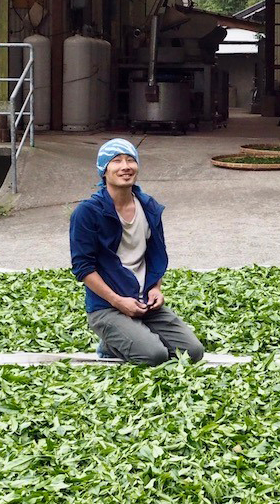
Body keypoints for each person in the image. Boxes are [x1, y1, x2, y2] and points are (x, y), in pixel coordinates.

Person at [69, 138, 204, 365]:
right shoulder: (87, 212)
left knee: (193, 353)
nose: (125, 166)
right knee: (155, 355)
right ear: (104, 170)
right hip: (107, 307)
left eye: (131, 160)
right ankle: (110, 343)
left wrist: (156, 288)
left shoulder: (149, 207)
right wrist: (118, 301)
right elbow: (83, 268)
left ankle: (132, 333)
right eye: (117, 161)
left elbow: (155, 256)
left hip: (144, 304)